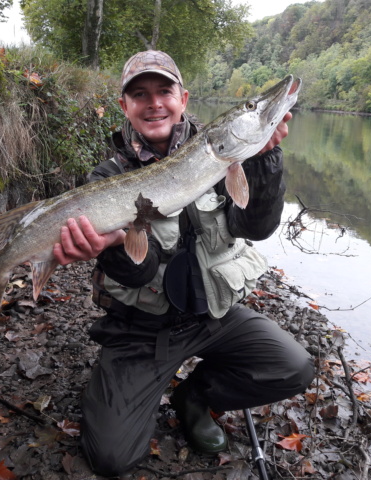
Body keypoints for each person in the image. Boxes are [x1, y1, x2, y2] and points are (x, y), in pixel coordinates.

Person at [52, 50, 315, 477]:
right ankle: (117, 388)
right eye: (140, 94)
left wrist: (265, 157)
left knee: (293, 366)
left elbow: (257, 226)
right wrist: (116, 244)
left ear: (183, 98)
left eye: (164, 91)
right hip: (141, 329)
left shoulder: (225, 153)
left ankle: (195, 396)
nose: (154, 102)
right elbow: (138, 270)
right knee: (112, 458)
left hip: (212, 314)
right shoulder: (107, 177)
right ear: (125, 107)